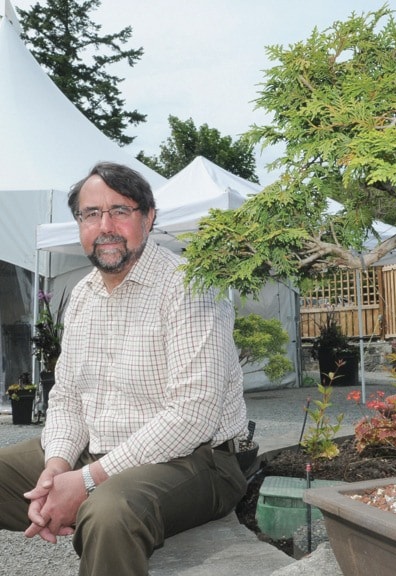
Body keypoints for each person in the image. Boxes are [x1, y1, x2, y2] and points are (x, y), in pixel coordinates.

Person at [0, 162, 249, 575]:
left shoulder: (191, 287)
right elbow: (67, 397)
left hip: (197, 462)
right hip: (97, 450)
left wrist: (86, 481)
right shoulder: (83, 295)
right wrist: (57, 469)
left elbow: (193, 415)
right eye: (91, 214)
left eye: (121, 210)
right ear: (79, 223)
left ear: (148, 218)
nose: (105, 226)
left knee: (109, 512)